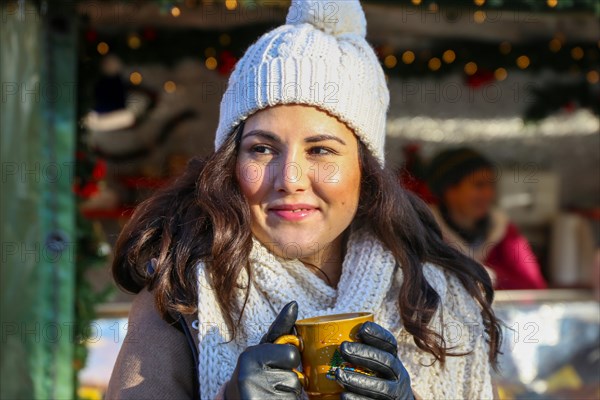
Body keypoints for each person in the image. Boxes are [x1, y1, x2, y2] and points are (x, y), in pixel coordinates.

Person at [106, 1, 502, 399]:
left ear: (365, 171)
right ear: (231, 163)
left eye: (321, 150)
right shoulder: (181, 294)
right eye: (262, 149)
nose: (290, 179)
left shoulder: (438, 300)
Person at [426, 147, 547, 290]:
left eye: (491, 185)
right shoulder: (425, 229)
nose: (488, 194)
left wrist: (494, 277)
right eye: (479, 185)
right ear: (450, 190)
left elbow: (534, 286)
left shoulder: (504, 230)